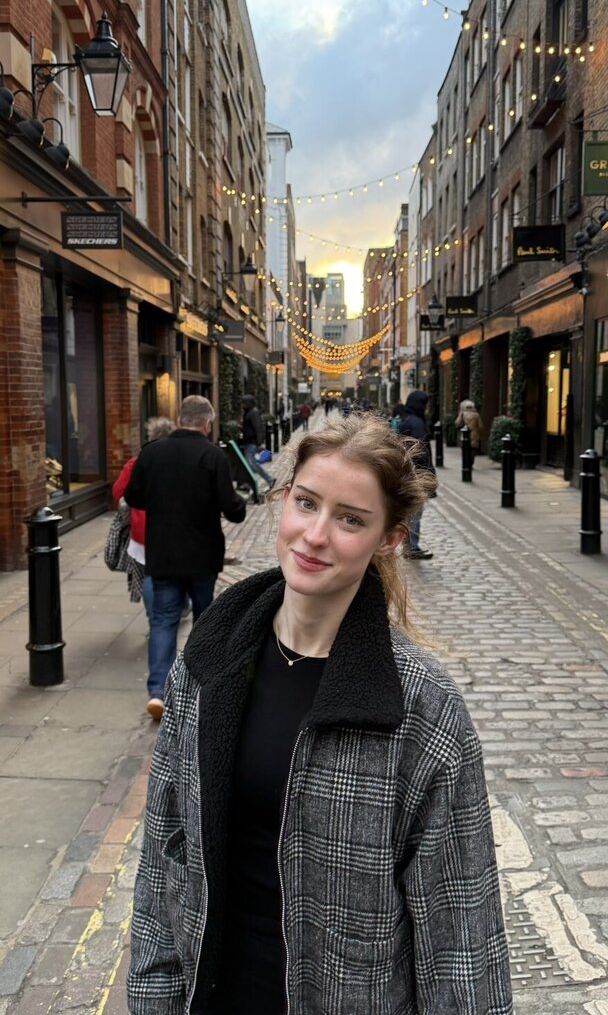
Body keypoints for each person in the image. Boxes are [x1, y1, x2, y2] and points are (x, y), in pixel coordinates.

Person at [127, 413, 513, 1015]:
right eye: (306, 503)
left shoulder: (419, 706)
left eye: (350, 519)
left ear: (390, 538)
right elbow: (163, 849)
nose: (314, 535)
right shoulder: (209, 659)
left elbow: (461, 932)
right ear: (283, 500)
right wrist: (153, 997)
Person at [124, 396, 247, 721]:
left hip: (163, 552)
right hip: (202, 554)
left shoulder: (152, 452)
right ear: (207, 423)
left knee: (163, 620)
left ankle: (158, 692)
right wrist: (240, 503)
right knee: (204, 618)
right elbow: (231, 507)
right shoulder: (213, 455)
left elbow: (133, 495)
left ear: (179, 419)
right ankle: (198, 682)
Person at [112, 417, 176, 622]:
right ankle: (180, 606)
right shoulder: (178, 461)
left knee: (149, 574)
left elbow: (118, 492)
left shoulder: (137, 462)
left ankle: (153, 619)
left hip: (142, 530)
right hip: (173, 528)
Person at [398, 390, 436, 560]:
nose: (427, 408)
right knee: (415, 511)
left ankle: (409, 545)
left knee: (411, 510)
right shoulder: (417, 423)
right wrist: (428, 474)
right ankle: (411, 546)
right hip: (417, 473)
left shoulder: (407, 419)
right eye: (425, 404)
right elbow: (421, 451)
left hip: (408, 471)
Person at [242, 394, 275, 490]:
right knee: (248, 465)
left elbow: (258, 428)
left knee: (252, 464)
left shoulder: (254, 413)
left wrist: (259, 443)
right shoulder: (248, 412)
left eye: (244, 402)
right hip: (248, 442)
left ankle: (269, 480)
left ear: (250, 403)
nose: (243, 405)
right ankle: (248, 484)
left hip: (252, 443)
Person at [457, 398, 484, 466]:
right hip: (474, 435)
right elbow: (480, 426)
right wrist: (480, 433)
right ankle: (471, 463)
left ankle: (466, 463)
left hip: (464, 434)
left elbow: (457, 423)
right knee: (473, 450)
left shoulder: (463, 414)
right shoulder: (476, 415)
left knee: (465, 449)